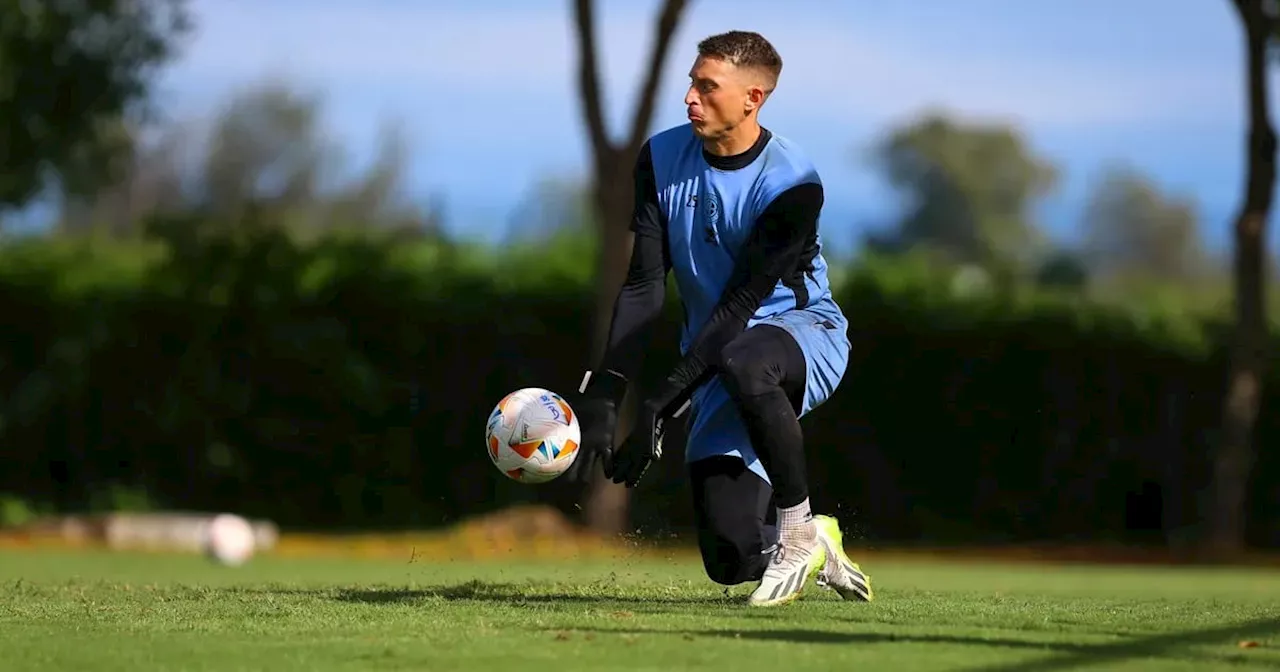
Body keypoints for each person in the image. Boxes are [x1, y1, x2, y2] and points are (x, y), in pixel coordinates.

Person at [566, 30, 872, 607]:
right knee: (732, 559)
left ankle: (798, 526)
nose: (690, 98)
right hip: (720, 356)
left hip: (802, 335)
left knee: (745, 357)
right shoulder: (660, 157)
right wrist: (607, 392)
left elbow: (740, 309)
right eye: (692, 82)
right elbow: (644, 284)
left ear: (754, 98)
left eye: (708, 87)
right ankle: (819, 542)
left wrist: (660, 403)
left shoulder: (793, 184)